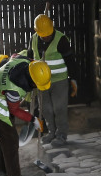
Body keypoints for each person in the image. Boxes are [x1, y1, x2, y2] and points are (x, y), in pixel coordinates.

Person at [0, 56, 52, 176]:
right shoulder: (14, 89)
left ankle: (3, 171)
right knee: (11, 139)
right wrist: (34, 120)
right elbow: (14, 110)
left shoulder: (25, 62)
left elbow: (14, 56)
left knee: (6, 137)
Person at [27, 13, 78, 146]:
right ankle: (52, 132)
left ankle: (61, 135)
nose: (47, 36)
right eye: (44, 35)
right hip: (41, 82)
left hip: (59, 80)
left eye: (49, 34)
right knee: (46, 109)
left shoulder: (61, 39)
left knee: (59, 108)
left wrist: (73, 79)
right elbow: (30, 58)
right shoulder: (33, 39)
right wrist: (30, 78)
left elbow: (70, 61)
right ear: (37, 31)